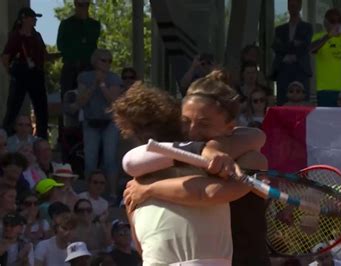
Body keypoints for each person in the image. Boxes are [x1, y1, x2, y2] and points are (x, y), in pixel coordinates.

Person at [114, 79, 268, 265]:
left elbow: (256, 137)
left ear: (230, 127)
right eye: (185, 122)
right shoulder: (143, 174)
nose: (192, 131)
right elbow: (141, 244)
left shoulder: (244, 156)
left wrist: (149, 189)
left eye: (204, 123)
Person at [76, 48, 123, 200]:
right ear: (95, 61)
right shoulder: (84, 77)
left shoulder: (114, 78)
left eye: (110, 61)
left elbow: (114, 102)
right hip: (91, 122)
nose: (107, 64)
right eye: (104, 60)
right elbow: (81, 101)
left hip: (110, 123)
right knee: (90, 160)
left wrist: (102, 84)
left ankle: (113, 194)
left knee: (110, 159)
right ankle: (90, 195)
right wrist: (93, 85)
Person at [1, 7, 53, 139]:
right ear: (23, 19)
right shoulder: (16, 36)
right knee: (13, 108)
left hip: (37, 73)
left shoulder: (37, 36)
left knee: (41, 109)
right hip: (21, 73)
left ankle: (42, 139)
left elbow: (45, 56)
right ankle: (5, 138)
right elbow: (5, 57)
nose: (34, 20)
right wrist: (12, 72)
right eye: (32, 17)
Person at [311, 8, 341, 107]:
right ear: (326, 23)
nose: (336, 24)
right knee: (327, 121)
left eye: (339, 21)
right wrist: (328, 36)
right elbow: (312, 49)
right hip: (325, 89)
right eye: (332, 21)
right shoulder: (318, 37)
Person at [272, 0, 312, 105]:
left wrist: (286, 47)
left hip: (301, 69)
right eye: (290, 5)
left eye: (295, 5)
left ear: (300, 6)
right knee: (282, 102)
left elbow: (305, 46)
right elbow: (277, 47)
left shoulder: (307, 27)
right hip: (284, 70)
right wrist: (294, 44)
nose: (292, 7)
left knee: (303, 104)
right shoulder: (279, 29)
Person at [57, 0, 101, 98]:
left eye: (86, 4)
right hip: (70, 67)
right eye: (80, 5)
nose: (83, 8)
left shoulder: (94, 24)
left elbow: (91, 41)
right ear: (75, 4)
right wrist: (79, 45)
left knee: (89, 98)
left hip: (88, 67)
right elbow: (61, 45)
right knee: (68, 98)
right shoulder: (66, 24)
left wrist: (84, 21)